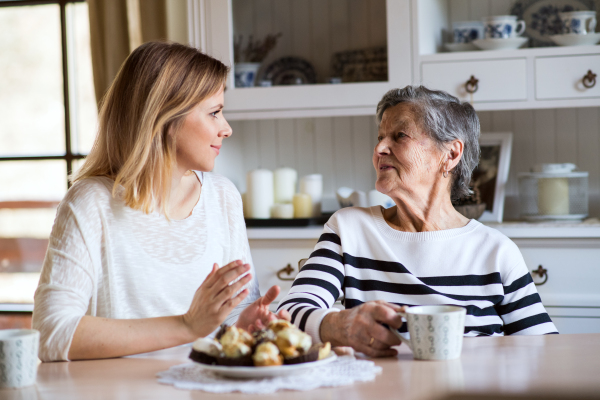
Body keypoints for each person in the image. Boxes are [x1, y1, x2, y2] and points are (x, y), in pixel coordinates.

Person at [32, 41, 288, 362]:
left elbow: (228, 318)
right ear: (165, 119)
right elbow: (50, 333)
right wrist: (186, 326)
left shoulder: (223, 196)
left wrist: (245, 323)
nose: (226, 128)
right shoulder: (90, 202)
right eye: (214, 113)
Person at [277, 86, 558, 358]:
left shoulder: (495, 250)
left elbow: (544, 352)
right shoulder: (349, 229)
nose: (379, 148)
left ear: (450, 154)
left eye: (399, 136)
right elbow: (288, 314)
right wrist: (339, 325)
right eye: (380, 137)